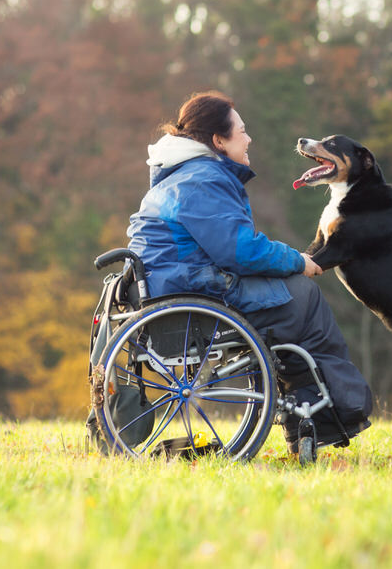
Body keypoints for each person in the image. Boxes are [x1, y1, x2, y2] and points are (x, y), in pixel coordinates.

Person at [126, 90, 372, 451]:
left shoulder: (179, 175)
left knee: (291, 295)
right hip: (193, 293)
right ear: (218, 140)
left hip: (176, 285)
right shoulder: (203, 178)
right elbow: (239, 251)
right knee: (304, 298)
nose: (249, 137)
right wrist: (297, 260)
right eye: (241, 131)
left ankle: (308, 418)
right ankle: (328, 417)